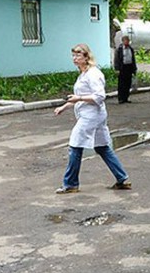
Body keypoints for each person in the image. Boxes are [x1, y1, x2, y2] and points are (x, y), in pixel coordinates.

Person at [54, 44, 132, 194]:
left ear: (86, 57)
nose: (74, 58)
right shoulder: (84, 74)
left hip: (91, 116)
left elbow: (99, 96)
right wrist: (64, 107)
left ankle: (70, 184)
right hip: (92, 115)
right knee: (102, 147)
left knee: (75, 146)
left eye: (78, 55)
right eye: (73, 55)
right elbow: (78, 98)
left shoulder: (93, 74)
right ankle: (123, 179)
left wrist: (79, 98)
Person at [114, 35, 137, 104]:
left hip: (129, 67)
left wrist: (134, 69)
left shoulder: (131, 49)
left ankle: (126, 98)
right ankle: (121, 98)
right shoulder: (119, 49)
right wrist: (117, 69)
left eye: (128, 40)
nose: (127, 42)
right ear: (123, 41)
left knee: (128, 83)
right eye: (126, 40)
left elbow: (133, 59)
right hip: (122, 67)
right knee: (121, 84)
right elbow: (116, 59)